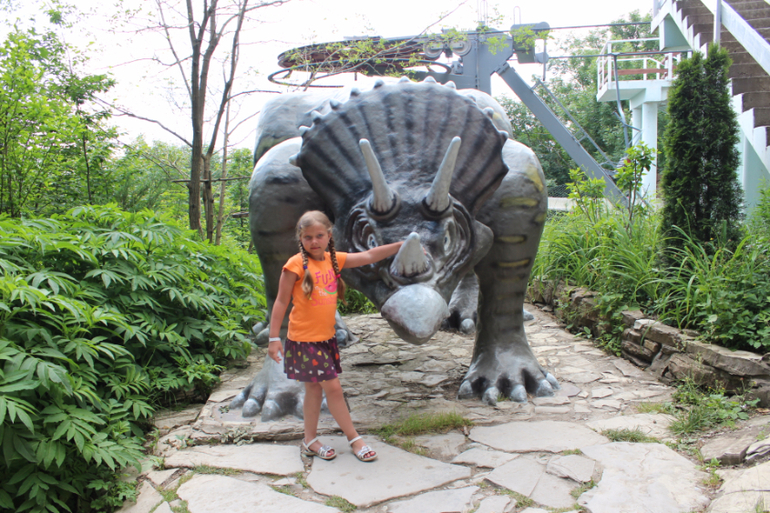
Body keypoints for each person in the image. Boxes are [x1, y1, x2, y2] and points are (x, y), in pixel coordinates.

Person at [267, 210, 404, 462]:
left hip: (325, 339)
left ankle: (309, 440)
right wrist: (274, 338)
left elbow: (369, 256)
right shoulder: (294, 265)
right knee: (333, 388)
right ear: (300, 238)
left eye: (319, 235)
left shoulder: (334, 259)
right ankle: (354, 439)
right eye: (308, 237)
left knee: (313, 390)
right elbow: (281, 302)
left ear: (329, 235)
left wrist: (400, 246)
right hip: (304, 341)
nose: (314, 241)